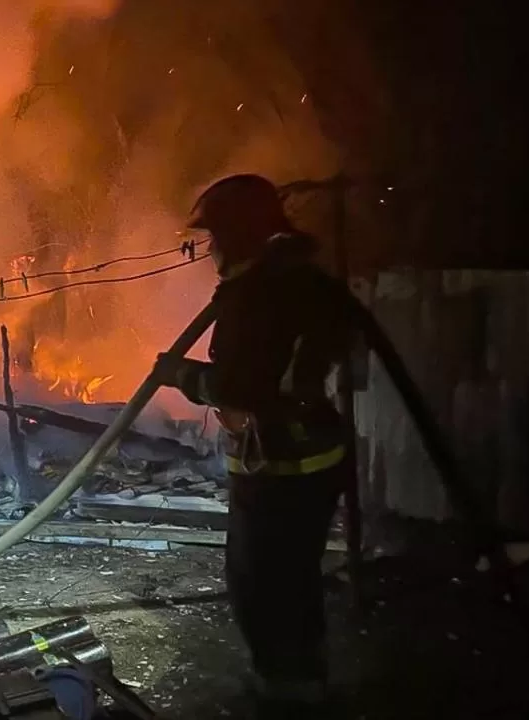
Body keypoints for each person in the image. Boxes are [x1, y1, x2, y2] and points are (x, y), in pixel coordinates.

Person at [153, 174, 355, 717]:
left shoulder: (256, 294)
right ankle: (302, 679)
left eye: (216, 234)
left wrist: (180, 375)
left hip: (278, 464)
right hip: (313, 456)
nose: (210, 248)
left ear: (239, 234)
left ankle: (282, 693)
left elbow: (242, 384)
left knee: (258, 580)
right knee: (295, 576)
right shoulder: (301, 281)